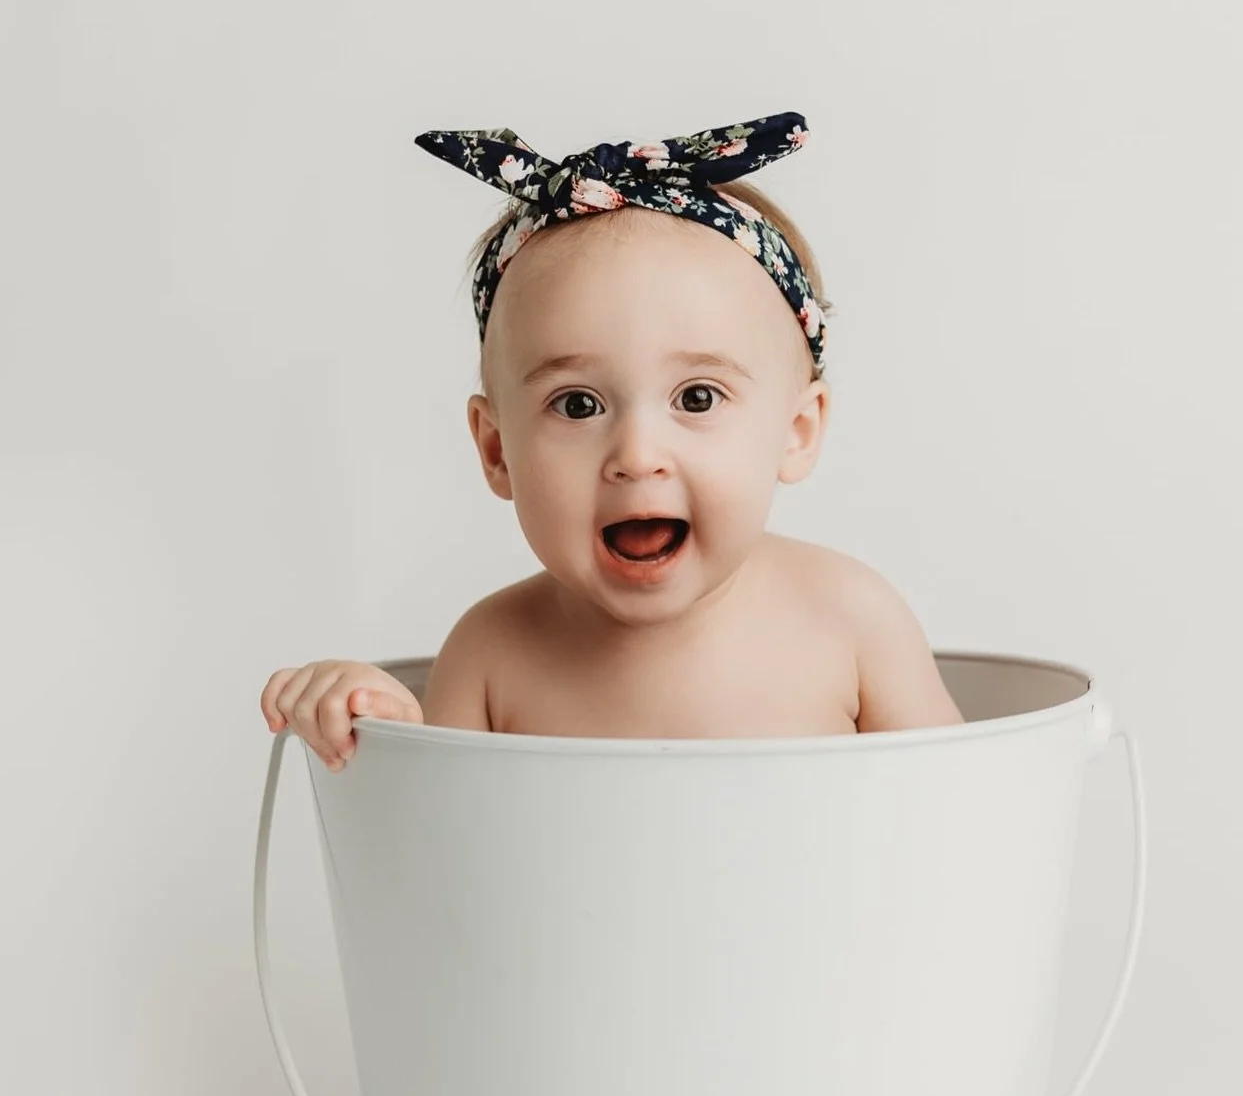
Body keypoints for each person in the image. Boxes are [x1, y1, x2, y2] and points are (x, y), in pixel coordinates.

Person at [261, 110, 963, 768]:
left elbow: (968, 815)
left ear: (797, 432)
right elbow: (439, 863)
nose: (635, 456)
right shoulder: (491, 657)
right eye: (577, 404)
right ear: (497, 450)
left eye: (696, 397)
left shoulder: (849, 622)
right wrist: (382, 733)